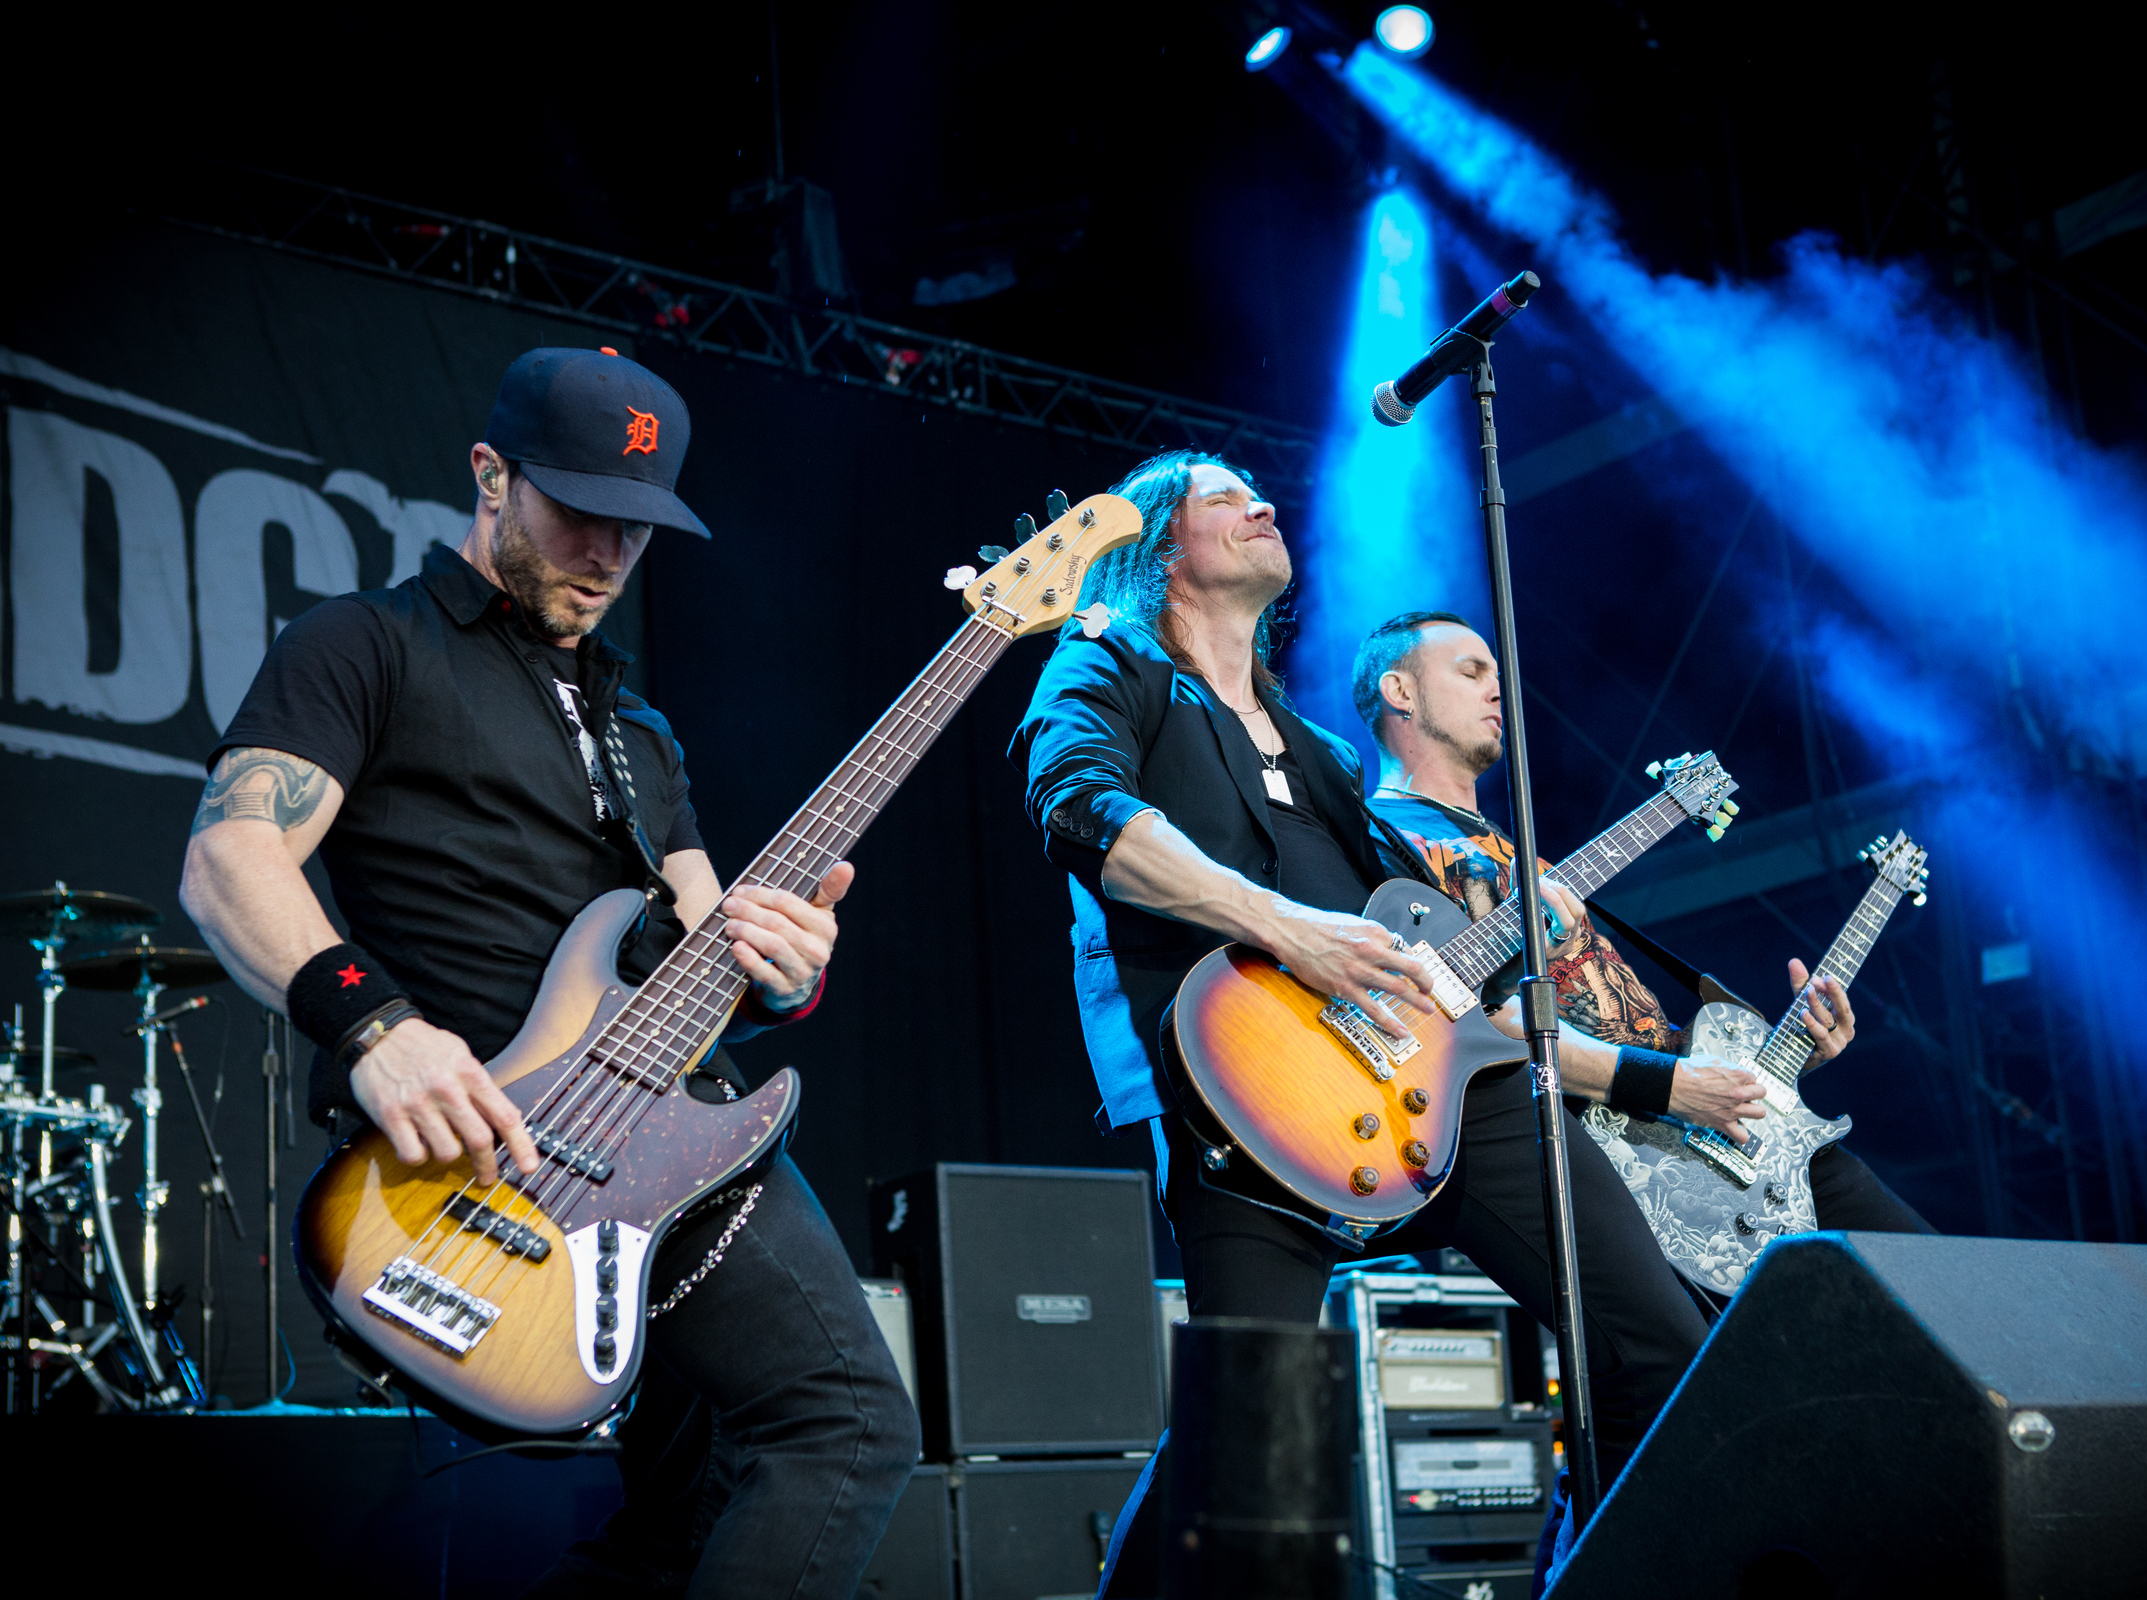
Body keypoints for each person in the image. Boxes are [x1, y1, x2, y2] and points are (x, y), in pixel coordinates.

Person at [180, 348, 916, 1598]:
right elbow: (229, 855)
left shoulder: (643, 733)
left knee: (683, 1516)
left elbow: (709, 960)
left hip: (669, 1139)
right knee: (846, 1425)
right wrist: (375, 1029)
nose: (610, 551)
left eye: (638, 525)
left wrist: (787, 971)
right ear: (491, 475)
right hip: (506, 1153)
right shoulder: (365, 643)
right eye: (580, 508)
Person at [1008, 450, 1735, 1533]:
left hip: (1439, 1086)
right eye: (1221, 497)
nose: (1260, 503)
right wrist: (1286, 928)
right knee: (1252, 1451)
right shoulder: (1109, 660)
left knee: (1663, 1349)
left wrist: (1517, 926)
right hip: (1241, 1091)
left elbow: (1415, 937)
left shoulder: (1322, 756)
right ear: (1161, 547)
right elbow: (1076, 809)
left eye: (1258, 491)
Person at [1352, 609, 1935, 1242]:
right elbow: (1471, 1022)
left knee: (1941, 1278)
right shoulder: (1385, 841)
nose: (1500, 691)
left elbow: (1631, 1024)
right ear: (1400, 691)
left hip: (1716, 1130)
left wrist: (1777, 1061)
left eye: (1499, 675)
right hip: (1623, 1160)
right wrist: (1669, 1085)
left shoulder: (1528, 860)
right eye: (1472, 673)